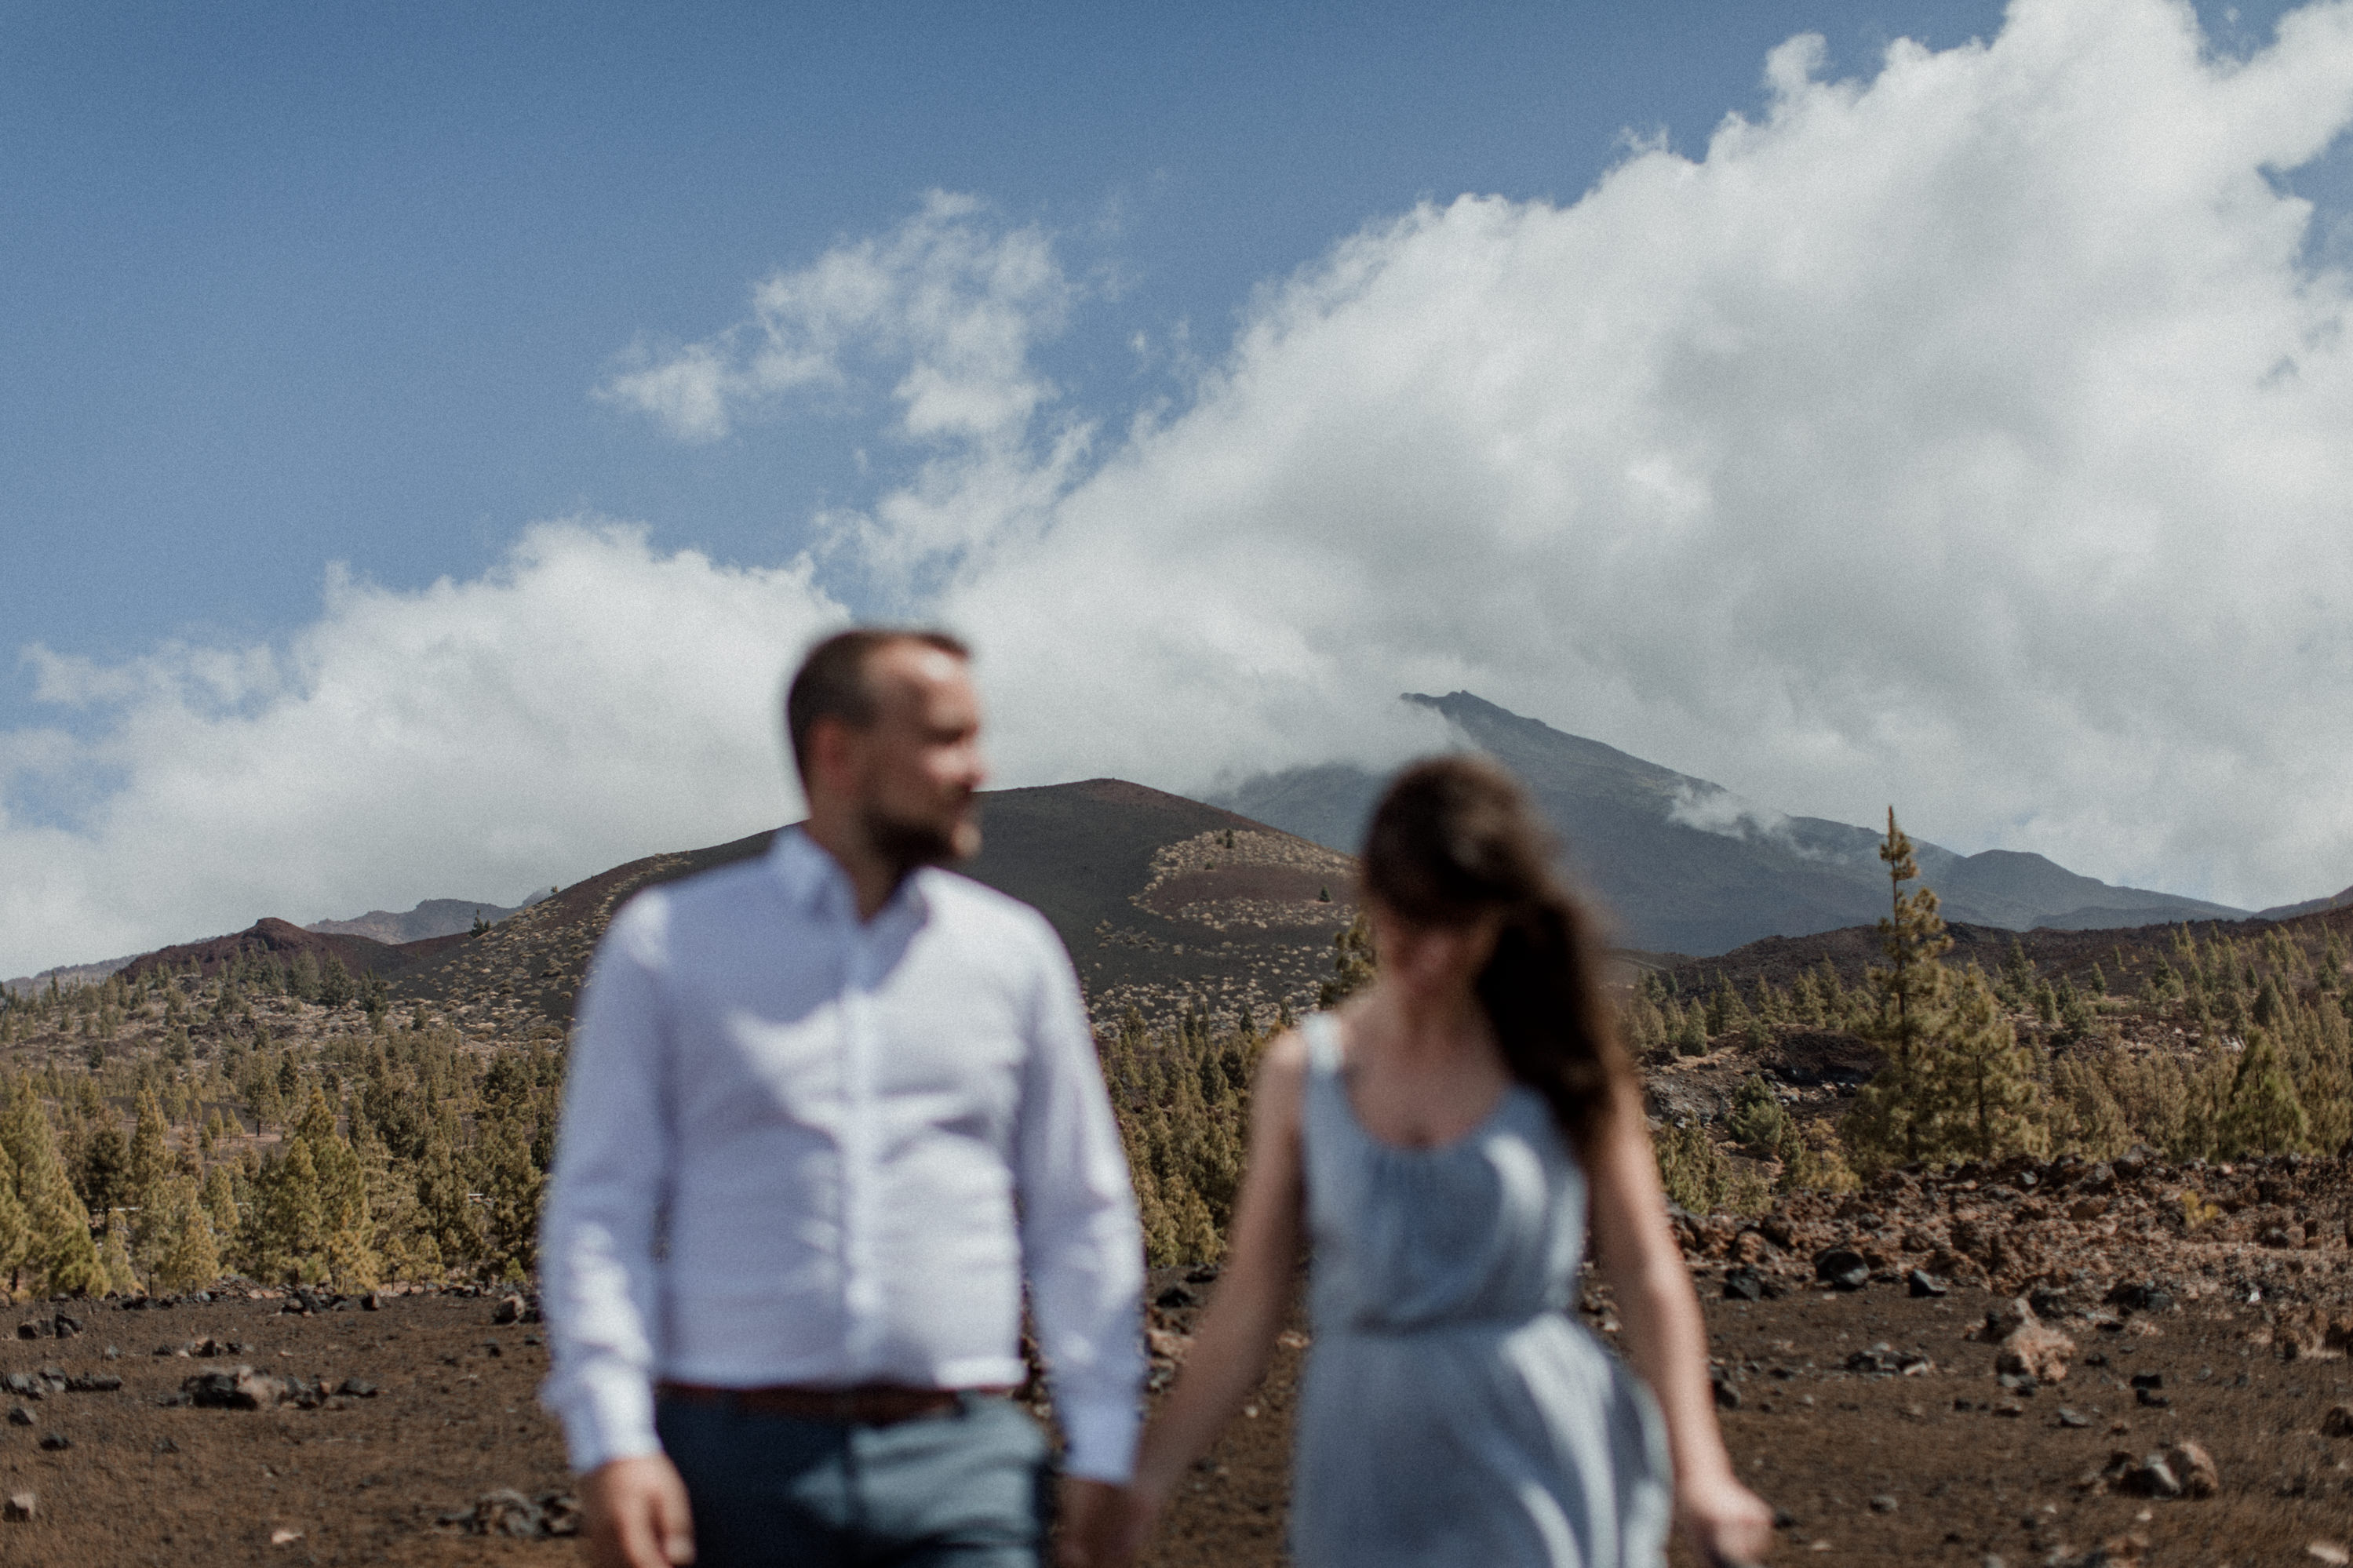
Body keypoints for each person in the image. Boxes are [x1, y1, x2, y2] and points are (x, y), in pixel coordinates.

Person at [538, 628, 1145, 1568]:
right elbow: (598, 1213)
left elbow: (1078, 1211)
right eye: (946, 738)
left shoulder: (1014, 957)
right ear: (837, 752)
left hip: (967, 1466)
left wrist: (1104, 1441)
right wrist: (614, 1440)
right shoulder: (668, 947)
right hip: (733, 1471)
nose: (976, 768)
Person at [1111, 755, 1775, 1568]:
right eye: (1407, 919)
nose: (1427, 956)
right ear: (1371, 900)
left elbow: (1645, 1273)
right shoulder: (1306, 1075)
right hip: (1364, 1467)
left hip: (1539, 1450)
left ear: (1499, 917)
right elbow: (1248, 1304)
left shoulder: (1560, 1061)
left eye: (1456, 925)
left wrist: (1702, 1471)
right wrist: (1145, 1478)